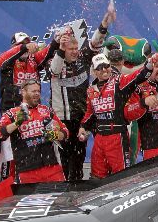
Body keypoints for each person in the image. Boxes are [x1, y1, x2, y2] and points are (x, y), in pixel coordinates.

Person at [47, 10, 111, 180]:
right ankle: (66, 185)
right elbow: (54, 70)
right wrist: (61, 49)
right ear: (63, 49)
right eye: (71, 49)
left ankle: (77, 184)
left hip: (81, 117)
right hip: (62, 119)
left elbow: (95, 43)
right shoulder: (54, 61)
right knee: (64, 155)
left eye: (76, 48)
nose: (75, 51)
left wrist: (104, 25)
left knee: (79, 155)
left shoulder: (83, 57)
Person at [78, 53, 154, 178]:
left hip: (117, 136)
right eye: (99, 67)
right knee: (97, 176)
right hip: (99, 137)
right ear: (94, 72)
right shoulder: (91, 90)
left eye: (106, 65)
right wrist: (83, 126)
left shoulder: (119, 81)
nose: (104, 69)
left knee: (122, 176)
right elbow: (90, 112)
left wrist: (149, 65)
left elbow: (138, 77)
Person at [0, 31, 60, 178]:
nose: (26, 46)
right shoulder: (7, 61)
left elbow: (46, 53)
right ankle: (7, 182)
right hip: (12, 112)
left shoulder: (33, 60)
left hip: (33, 112)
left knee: (32, 147)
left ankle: (31, 179)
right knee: (10, 151)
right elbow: (4, 58)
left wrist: (56, 41)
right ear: (14, 46)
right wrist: (23, 48)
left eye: (28, 42)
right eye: (21, 43)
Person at [0, 80, 67, 184]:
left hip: (51, 167)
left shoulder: (47, 111)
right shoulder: (12, 113)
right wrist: (17, 123)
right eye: (33, 91)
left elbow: (65, 132)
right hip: (27, 170)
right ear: (23, 92)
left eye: (38, 91)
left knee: (61, 194)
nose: (37, 94)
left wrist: (55, 135)